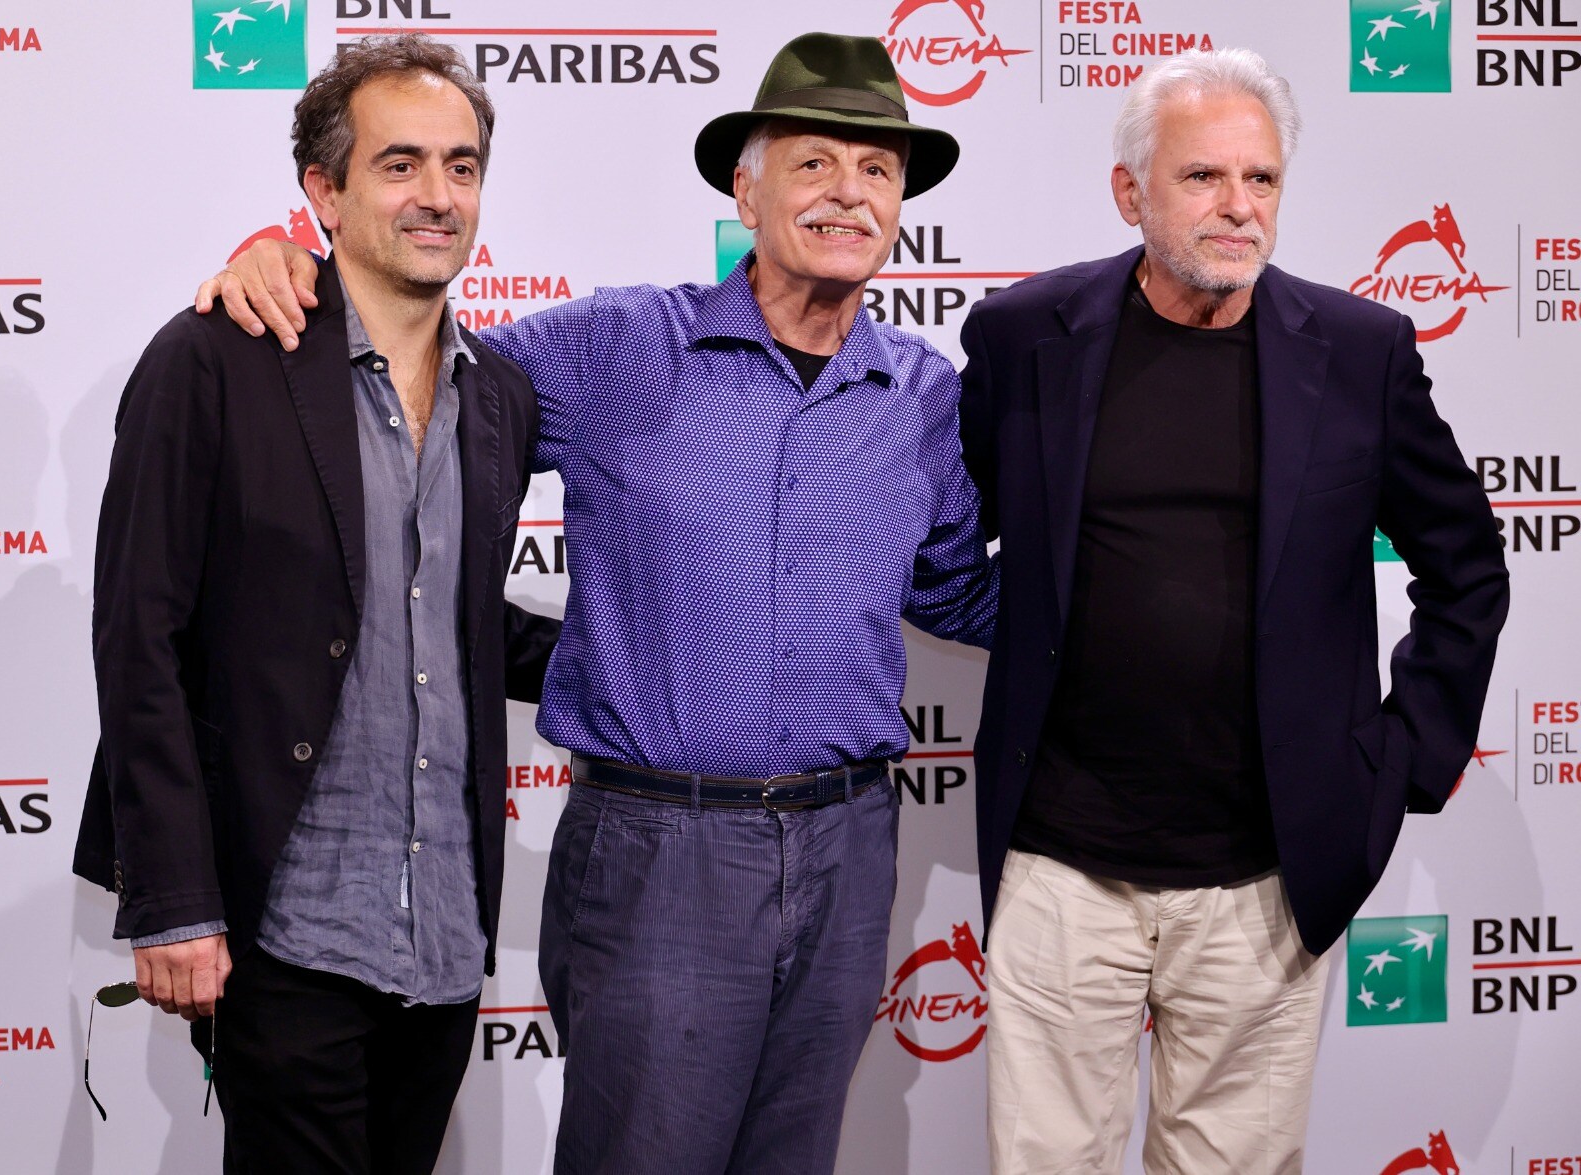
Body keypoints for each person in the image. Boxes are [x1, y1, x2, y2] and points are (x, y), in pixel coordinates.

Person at [197, 32, 997, 1175]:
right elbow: (402, 380)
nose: (847, 193)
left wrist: (1152, 602)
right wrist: (288, 267)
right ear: (746, 192)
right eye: (813, 163)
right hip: (661, 843)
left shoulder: (921, 394)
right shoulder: (617, 346)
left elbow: (959, 590)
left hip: (852, 843)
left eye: (877, 170)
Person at [958, 47, 1509, 1173]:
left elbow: (1466, 566)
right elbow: (946, 529)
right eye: (1203, 176)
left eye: (1260, 179)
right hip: (1061, 869)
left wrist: (1397, 764)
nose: (1238, 206)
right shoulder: (1024, 334)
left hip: (1266, 879)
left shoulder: (1359, 353)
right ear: (1131, 192)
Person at [73, 35, 560, 1173]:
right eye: (400, 164)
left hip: (445, 935)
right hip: (283, 926)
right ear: (324, 193)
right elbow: (139, 639)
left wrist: (657, 652)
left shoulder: (503, 397)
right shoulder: (213, 360)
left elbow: (450, 622)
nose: (437, 194)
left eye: (461, 166)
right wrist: (175, 900)